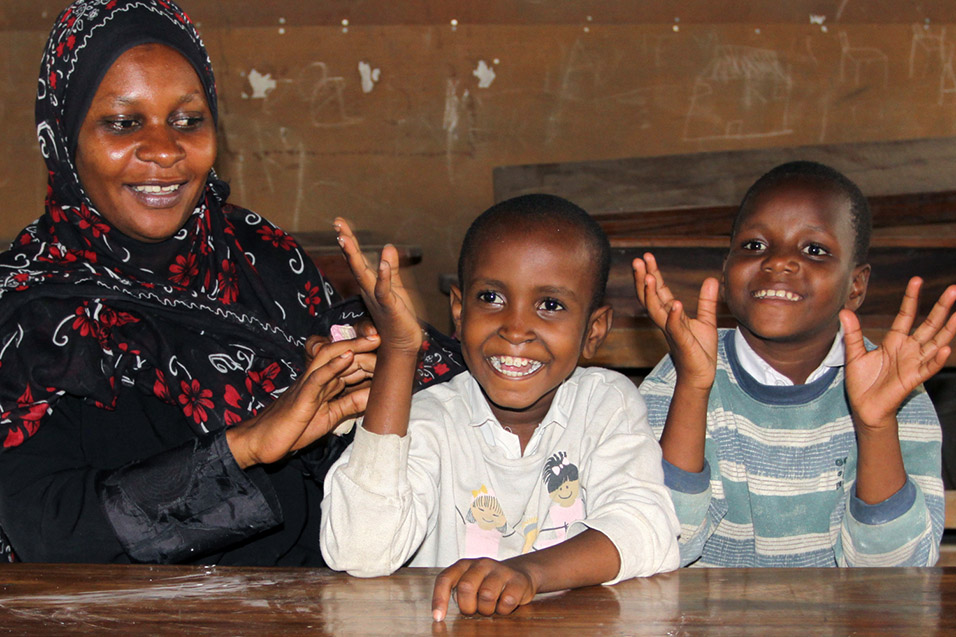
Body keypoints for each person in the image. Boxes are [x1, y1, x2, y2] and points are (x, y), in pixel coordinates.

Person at [0, 0, 383, 565]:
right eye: (124, 123)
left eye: (187, 120)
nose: (164, 150)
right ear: (63, 138)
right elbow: (47, 530)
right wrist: (245, 447)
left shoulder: (267, 264)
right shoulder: (31, 315)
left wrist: (386, 367)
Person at [321, 194, 680, 619]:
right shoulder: (426, 418)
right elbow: (359, 551)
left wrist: (529, 572)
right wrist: (400, 351)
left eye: (550, 305)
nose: (515, 329)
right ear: (458, 310)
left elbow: (647, 529)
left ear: (594, 330)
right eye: (491, 297)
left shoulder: (606, 404)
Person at [635, 160, 955, 567]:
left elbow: (897, 570)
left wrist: (876, 428)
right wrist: (694, 387)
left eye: (814, 250)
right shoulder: (679, 374)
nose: (778, 261)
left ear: (855, 286)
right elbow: (660, 544)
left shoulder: (895, 388)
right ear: (726, 265)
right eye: (754, 246)